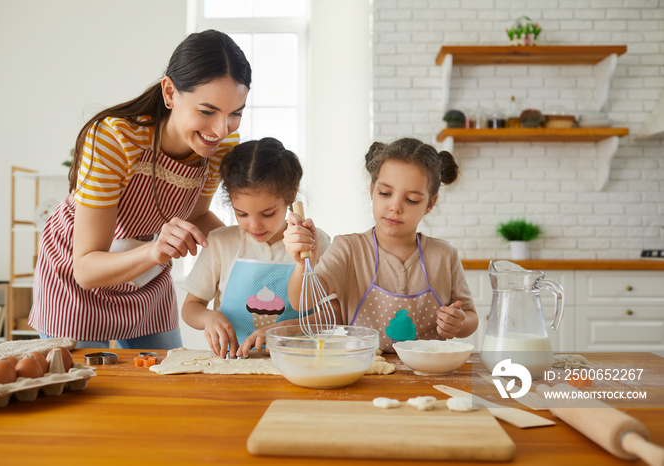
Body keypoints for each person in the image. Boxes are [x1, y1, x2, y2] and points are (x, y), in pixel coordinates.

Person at [28, 30, 252, 349]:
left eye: (235, 114)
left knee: (163, 382)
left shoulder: (221, 143)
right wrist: (155, 251)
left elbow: (198, 214)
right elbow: (87, 269)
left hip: (146, 272)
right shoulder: (114, 140)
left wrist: (254, 246)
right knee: (85, 388)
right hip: (78, 275)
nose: (220, 129)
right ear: (170, 92)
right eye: (207, 111)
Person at [283, 137, 478, 352]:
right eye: (385, 193)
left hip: (428, 375)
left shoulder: (444, 255)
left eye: (411, 199)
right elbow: (302, 302)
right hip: (365, 372)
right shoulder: (348, 249)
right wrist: (303, 264)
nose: (395, 206)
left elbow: (470, 317)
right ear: (372, 190)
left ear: (430, 204)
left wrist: (458, 323)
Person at [181, 137, 331, 359]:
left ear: (291, 194)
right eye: (241, 214)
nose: (254, 225)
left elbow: (330, 316)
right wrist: (209, 318)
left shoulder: (317, 244)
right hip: (235, 364)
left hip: (301, 363)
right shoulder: (221, 243)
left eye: (267, 213)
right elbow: (190, 308)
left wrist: (282, 331)